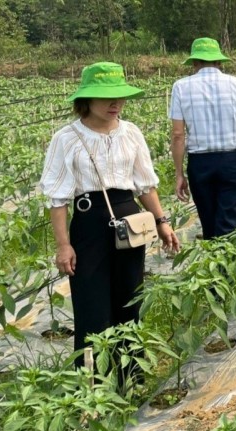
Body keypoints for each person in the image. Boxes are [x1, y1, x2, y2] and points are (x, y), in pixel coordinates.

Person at [40, 61, 180, 385]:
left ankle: (130, 377)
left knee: (129, 298)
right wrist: (63, 245)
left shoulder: (131, 133)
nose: (115, 103)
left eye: (119, 96)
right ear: (86, 99)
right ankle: (93, 383)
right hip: (89, 224)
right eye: (106, 97)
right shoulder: (66, 138)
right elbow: (58, 199)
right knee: (92, 303)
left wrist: (162, 222)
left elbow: (145, 185)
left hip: (129, 220)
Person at [169, 37, 236, 239]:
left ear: (194, 62)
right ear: (219, 61)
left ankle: (214, 258)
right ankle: (226, 258)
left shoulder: (180, 87)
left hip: (199, 163)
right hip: (231, 162)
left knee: (208, 223)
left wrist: (179, 174)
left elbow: (178, 135)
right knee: (230, 224)